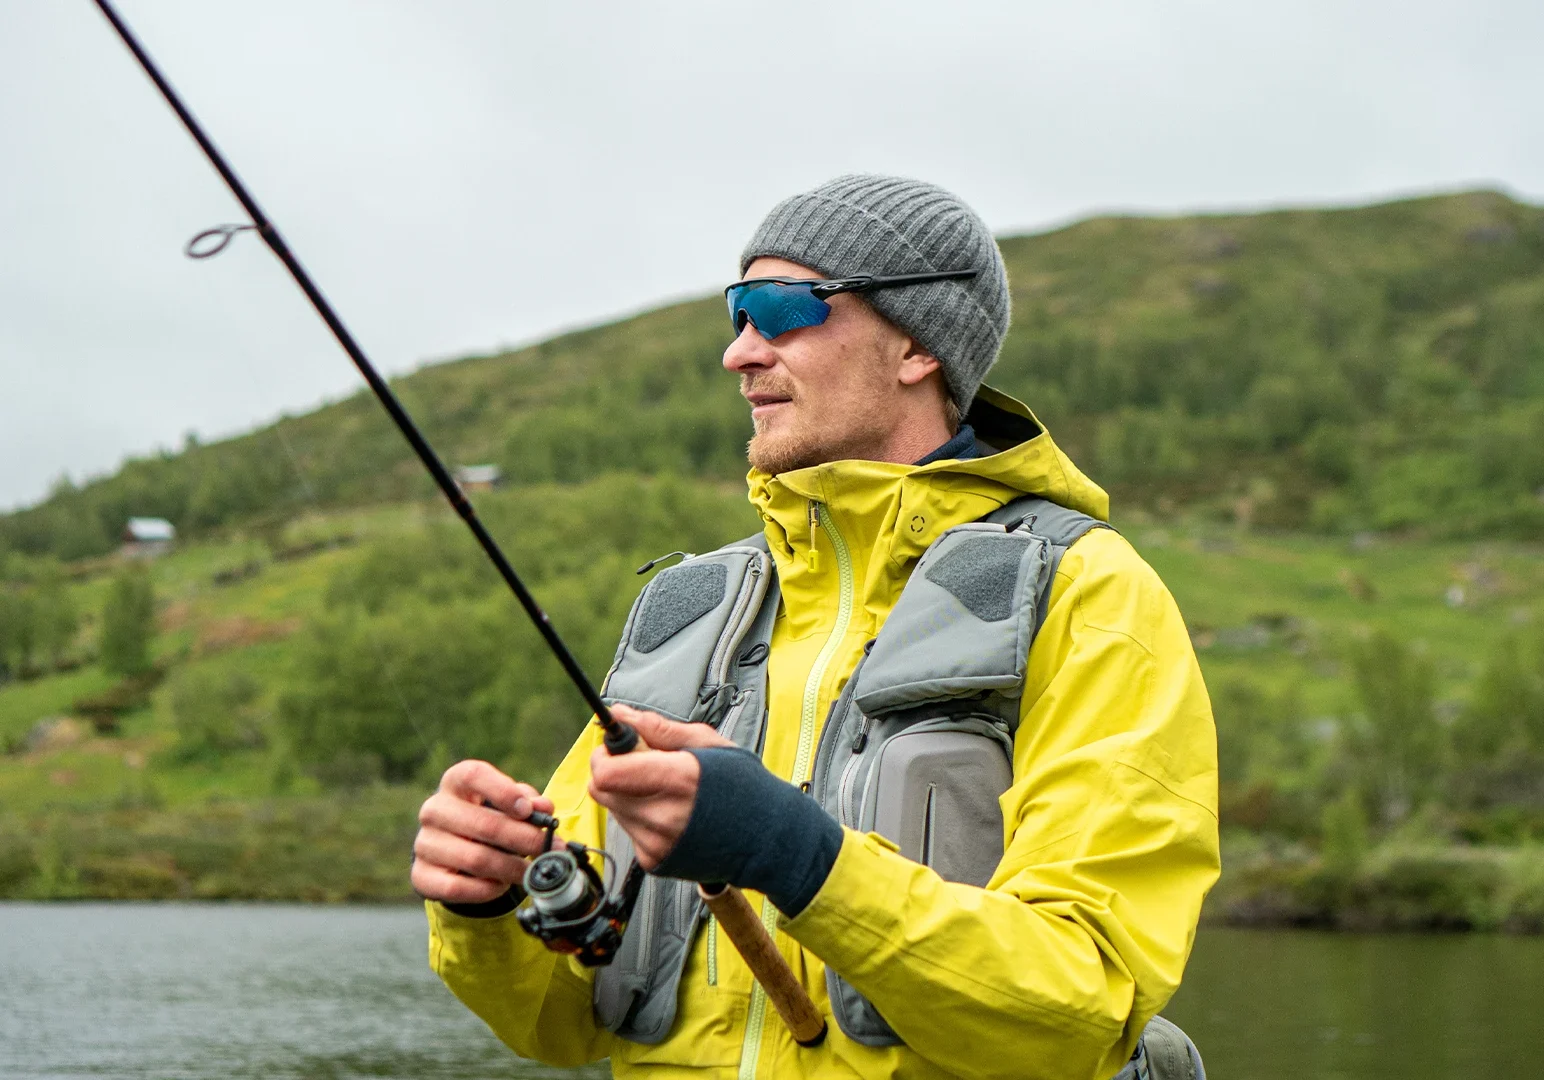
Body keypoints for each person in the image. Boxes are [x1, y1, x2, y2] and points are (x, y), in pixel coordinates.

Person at [411, 174, 1220, 1080]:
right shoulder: (690, 610)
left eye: (780, 310)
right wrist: (488, 903)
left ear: (918, 345)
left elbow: (1083, 1009)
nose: (740, 353)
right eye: (736, 314)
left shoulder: (1090, 594)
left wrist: (798, 857)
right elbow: (560, 1025)